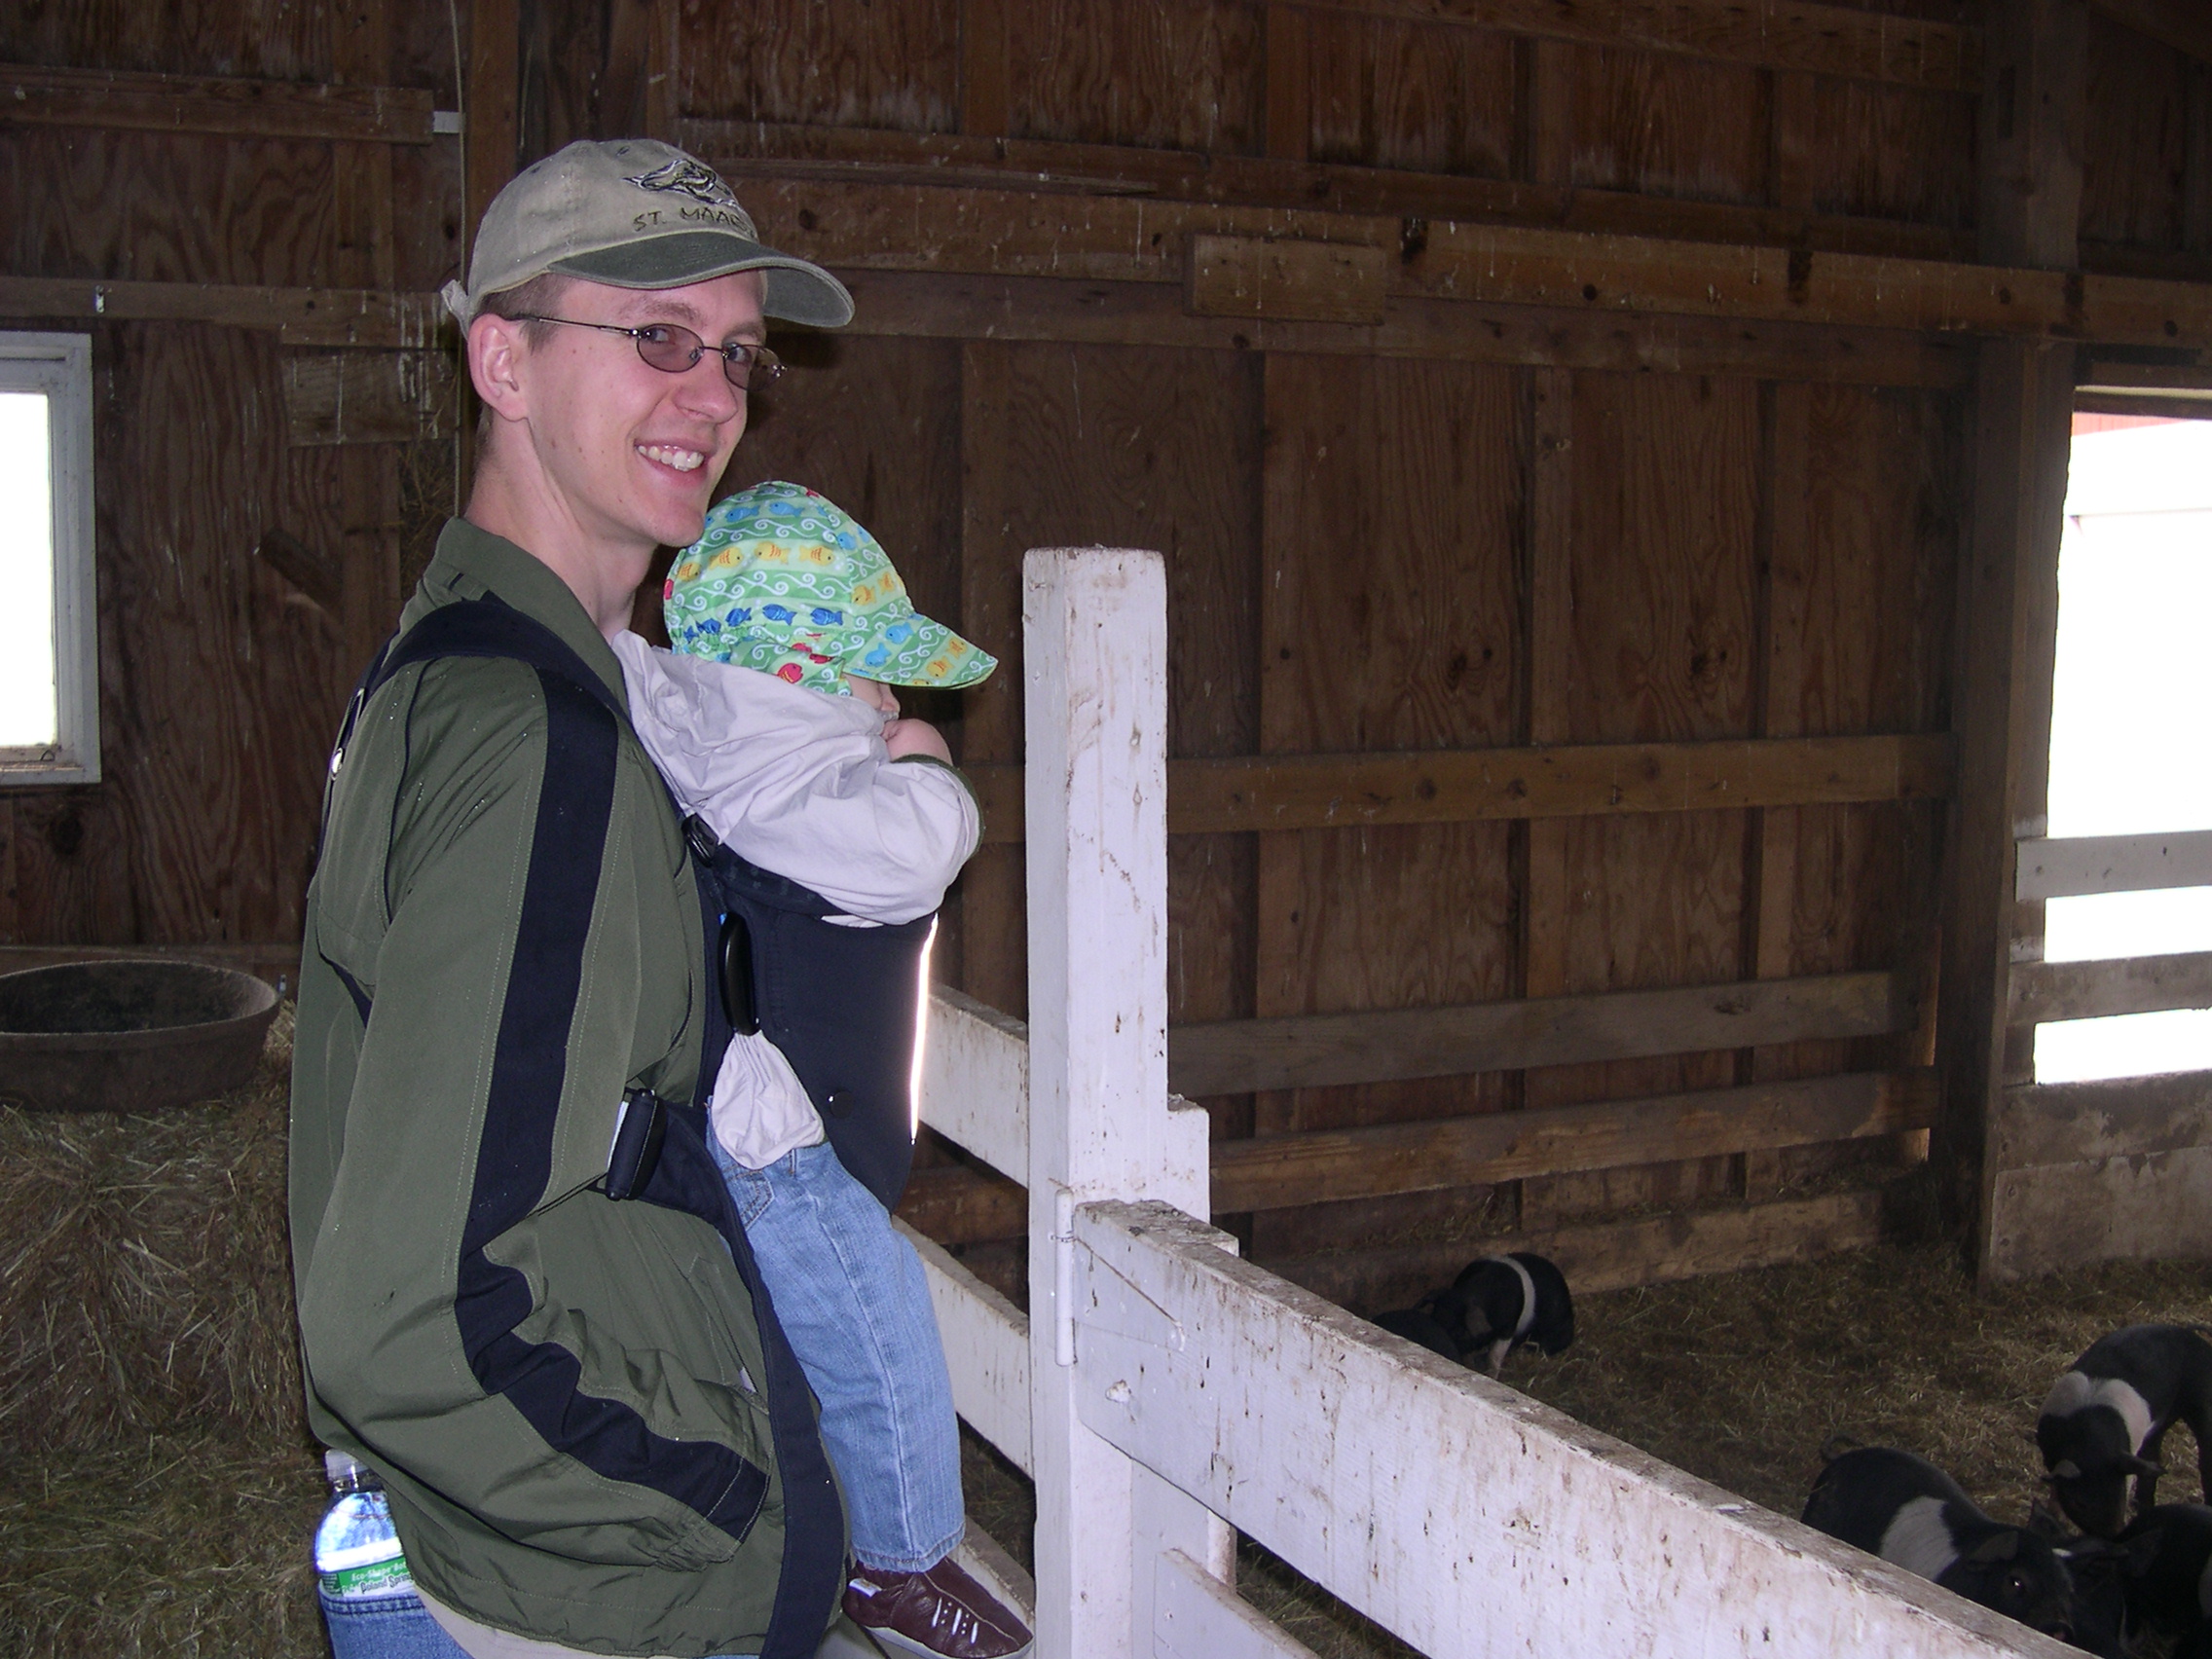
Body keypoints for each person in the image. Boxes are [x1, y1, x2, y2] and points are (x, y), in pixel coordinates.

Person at [290, 139, 860, 1659]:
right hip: (583, 1607)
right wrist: (719, 1498)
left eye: (738, 354)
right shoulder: (536, 739)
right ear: (504, 359)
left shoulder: (457, 659)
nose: (717, 395)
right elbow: (406, 1322)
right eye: (657, 339)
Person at [613, 480, 1031, 1659]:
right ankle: (902, 1563)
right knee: (873, 1316)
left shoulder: (689, 728)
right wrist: (928, 764)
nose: (890, 697)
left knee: (771, 1363)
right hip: (783, 1149)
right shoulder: (814, 790)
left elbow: (623, 659)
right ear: (800, 676)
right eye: (873, 673)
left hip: (709, 1123)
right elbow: (924, 850)